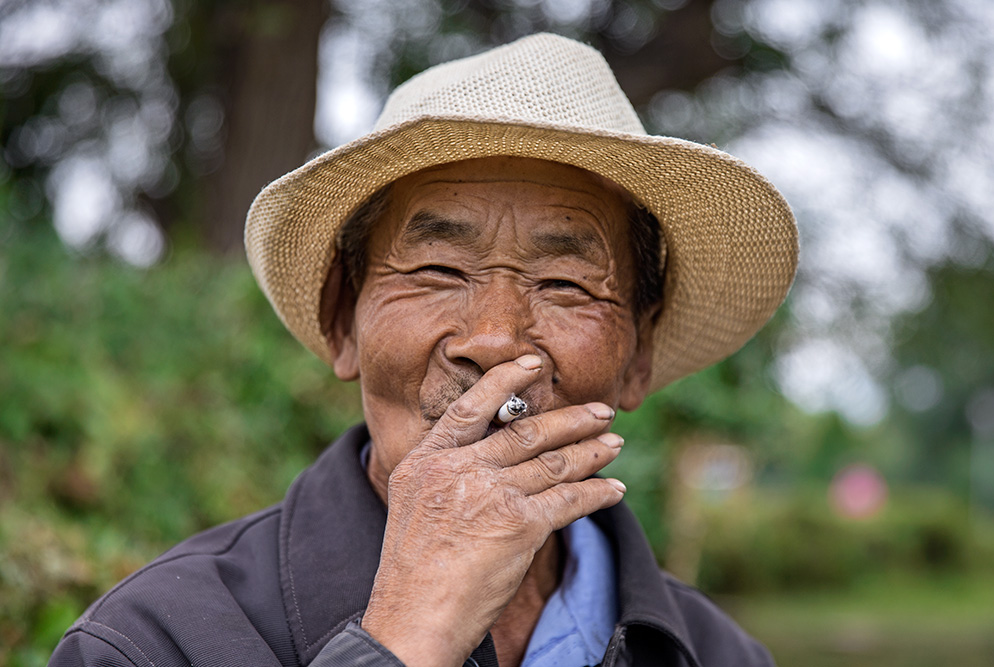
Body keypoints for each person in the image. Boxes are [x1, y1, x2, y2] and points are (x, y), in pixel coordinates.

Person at [50, 33, 797, 667]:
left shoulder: (718, 654)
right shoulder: (153, 641)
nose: (493, 339)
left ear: (640, 354)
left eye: (565, 282)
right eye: (438, 270)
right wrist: (403, 638)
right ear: (343, 318)